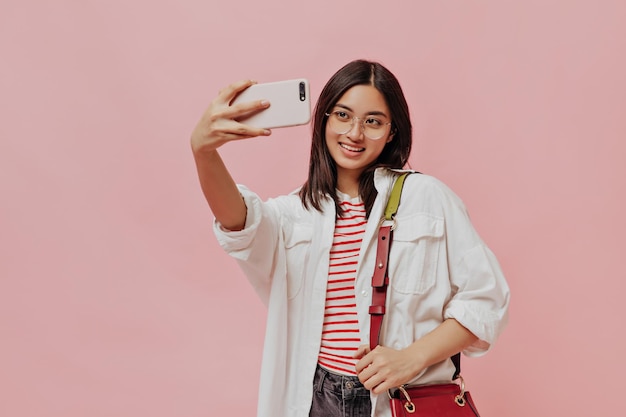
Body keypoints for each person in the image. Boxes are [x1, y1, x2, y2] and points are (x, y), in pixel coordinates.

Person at [190, 59, 510, 417]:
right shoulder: (295, 212)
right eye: (342, 115)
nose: (355, 133)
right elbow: (239, 225)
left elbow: (485, 299)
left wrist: (411, 358)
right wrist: (204, 152)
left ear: (392, 132)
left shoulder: (427, 197)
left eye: (372, 121)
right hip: (316, 397)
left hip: (399, 397)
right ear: (324, 119)